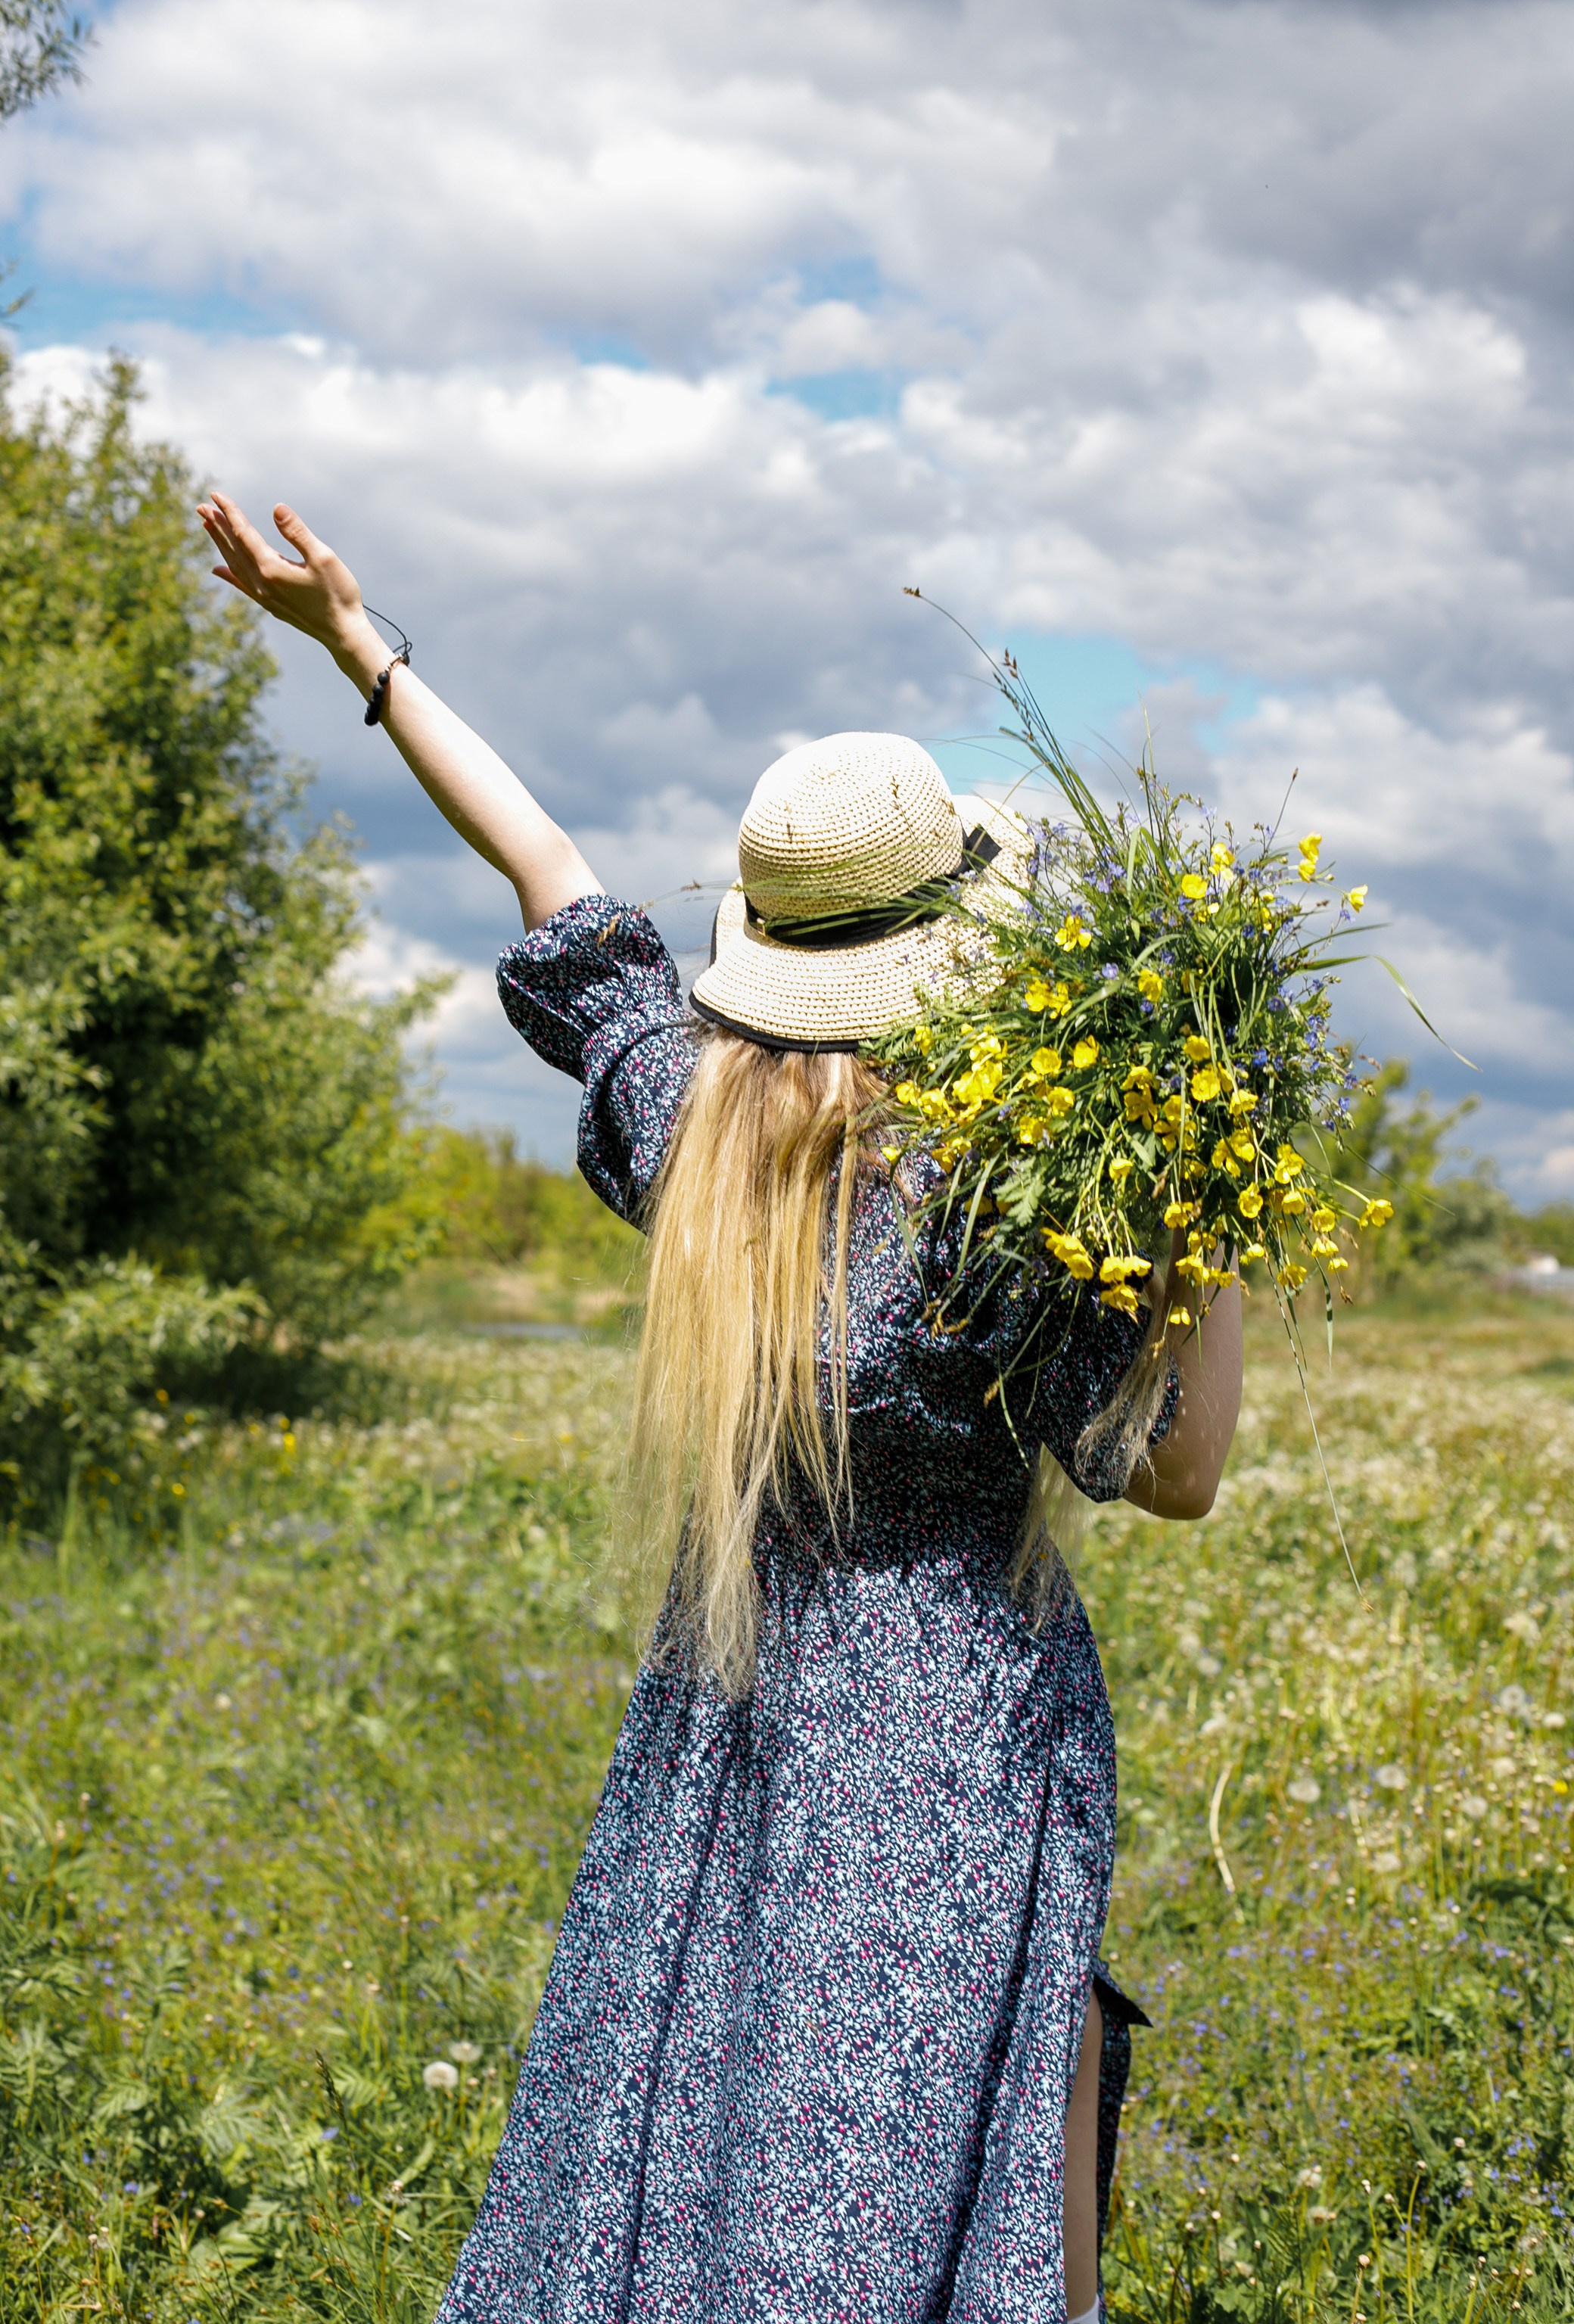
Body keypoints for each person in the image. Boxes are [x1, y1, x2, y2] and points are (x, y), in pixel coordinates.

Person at [197, 493, 1244, 2324]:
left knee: (694, 2091)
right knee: (957, 2112)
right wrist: (1212, 1211)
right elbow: (1175, 1472)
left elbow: (548, 874)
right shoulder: (990, 1208)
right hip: (945, 1731)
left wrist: (359, 649)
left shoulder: (688, 1130)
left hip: (729, 1685)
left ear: (766, 927)